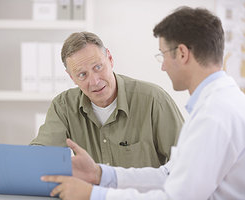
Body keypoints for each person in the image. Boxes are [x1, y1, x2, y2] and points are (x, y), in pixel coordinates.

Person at [40, 6, 245, 200]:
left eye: (163, 55)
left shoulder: (215, 115)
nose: (162, 66)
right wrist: (101, 174)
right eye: (82, 74)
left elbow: (176, 196)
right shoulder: (221, 105)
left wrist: (95, 194)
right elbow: (169, 175)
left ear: (182, 53)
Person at [30, 32, 184, 168]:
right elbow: (40, 156)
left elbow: (187, 162)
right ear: (72, 77)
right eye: (82, 75)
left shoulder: (153, 100)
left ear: (110, 59)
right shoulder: (64, 106)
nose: (95, 81)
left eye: (98, 67)